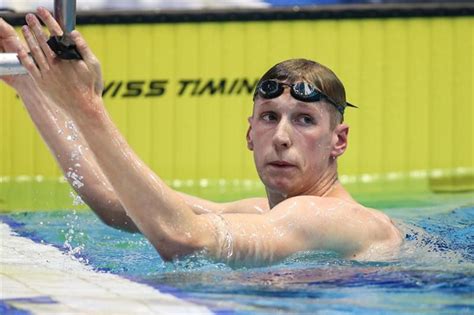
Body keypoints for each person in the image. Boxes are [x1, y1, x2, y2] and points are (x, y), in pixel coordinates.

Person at [0, 8, 402, 266]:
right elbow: (114, 202)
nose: (281, 136)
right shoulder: (264, 213)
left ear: (339, 141)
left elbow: (183, 240)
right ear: (249, 133)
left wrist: (88, 106)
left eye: (303, 120)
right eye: (269, 117)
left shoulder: (328, 217)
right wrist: (30, 85)